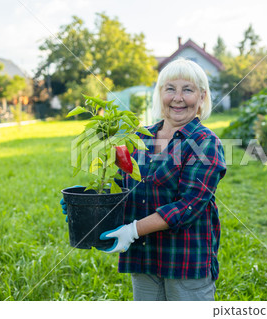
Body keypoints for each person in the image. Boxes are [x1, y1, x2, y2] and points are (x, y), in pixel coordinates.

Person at [62, 58, 227, 301]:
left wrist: (132, 231)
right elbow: (126, 186)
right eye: (170, 88)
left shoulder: (205, 142)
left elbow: (188, 206)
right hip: (143, 257)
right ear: (160, 94)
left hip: (185, 258)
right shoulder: (139, 137)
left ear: (202, 97)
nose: (178, 97)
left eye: (188, 90)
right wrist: (90, 197)